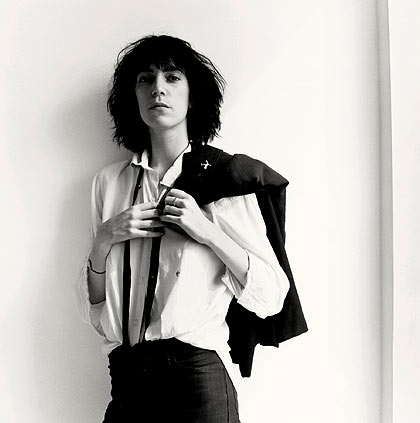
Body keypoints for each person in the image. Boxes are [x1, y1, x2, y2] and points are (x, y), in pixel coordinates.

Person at [76, 34, 307, 423]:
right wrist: (104, 240)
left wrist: (208, 232)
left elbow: (272, 296)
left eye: (172, 77)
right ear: (133, 95)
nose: (158, 88)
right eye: (146, 79)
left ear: (192, 95)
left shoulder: (223, 179)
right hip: (127, 380)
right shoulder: (109, 183)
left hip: (196, 381)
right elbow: (96, 312)